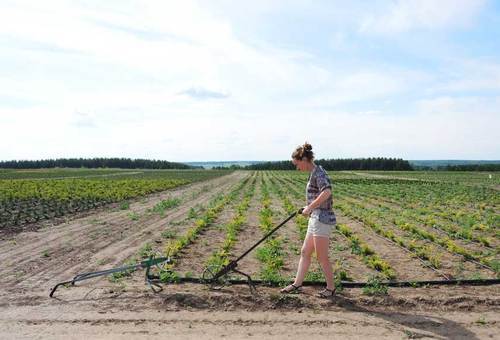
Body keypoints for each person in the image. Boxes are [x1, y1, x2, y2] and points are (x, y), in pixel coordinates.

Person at [280, 142, 337, 298]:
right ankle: (297, 284)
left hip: (322, 219)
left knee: (321, 256)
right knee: (305, 252)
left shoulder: (319, 173)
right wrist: (308, 208)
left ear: (304, 159)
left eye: (297, 165)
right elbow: (319, 195)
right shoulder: (314, 173)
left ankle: (331, 288)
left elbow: (327, 192)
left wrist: (310, 207)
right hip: (315, 217)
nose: (297, 168)